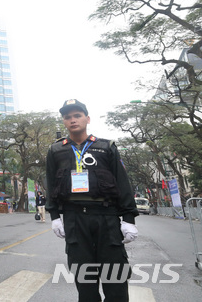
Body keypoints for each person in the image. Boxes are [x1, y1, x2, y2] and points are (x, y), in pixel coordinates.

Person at [46, 99, 139, 302]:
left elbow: (122, 183)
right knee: (85, 280)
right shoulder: (56, 151)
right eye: (67, 117)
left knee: (115, 278)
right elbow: (51, 184)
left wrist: (129, 219)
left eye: (77, 115)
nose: (72, 120)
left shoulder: (106, 147)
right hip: (74, 218)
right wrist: (54, 216)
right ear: (63, 121)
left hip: (106, 216)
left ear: (87, 119)